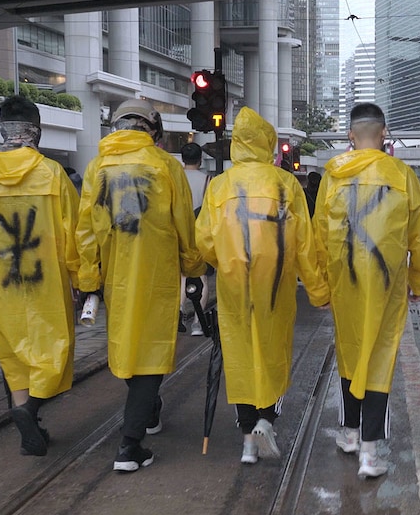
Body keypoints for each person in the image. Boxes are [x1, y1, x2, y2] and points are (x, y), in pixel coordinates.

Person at [194, 108, 329, 465]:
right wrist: (317, 290)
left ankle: (247, 443)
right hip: (275, 284)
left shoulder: (219, 186)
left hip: (234, 283)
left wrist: (225, 259)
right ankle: (266, 420)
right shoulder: (285, 184)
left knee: (239, 355)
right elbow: (304, 244)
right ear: (268, 143)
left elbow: (204, 240)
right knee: (273, 350)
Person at [78, 98, 201, 473]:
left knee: (129, 346)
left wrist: (89, 279)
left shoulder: (97, 167)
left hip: (116, 276)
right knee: (150, 351)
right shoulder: (165, 165)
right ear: (154, 130)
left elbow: (85, 230)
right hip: (157, 274)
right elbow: (183, 222)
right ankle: (129, 444)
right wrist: (193, 267)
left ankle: (148, 411)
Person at [0, 95, 81, 456]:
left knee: (13, 355)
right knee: (53, 349)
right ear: (36, 130)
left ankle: (27, 420)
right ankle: (31, 410)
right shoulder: (52, 173)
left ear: (3, 129)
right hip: (46, 281)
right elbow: (74, 233)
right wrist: (80, 279)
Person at [313, 102, 420, 479]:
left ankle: (350, 433)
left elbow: (318, 235)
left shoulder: (332, 176)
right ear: (384, 134)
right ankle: (369, 451)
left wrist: (320, 287)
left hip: (344, 281)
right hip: (387, 283)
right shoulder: (402, 176)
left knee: (349, 352)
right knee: (379, 357)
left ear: (350, 135)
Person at [180, 142, 214, 337]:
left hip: (179, 233)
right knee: (202, 277)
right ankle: (197, 324)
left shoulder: (175, 178)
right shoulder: (208, 180)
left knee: (181, 276)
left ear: (182, 159)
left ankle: (179, 312)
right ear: (200, 159)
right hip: (200, 235)